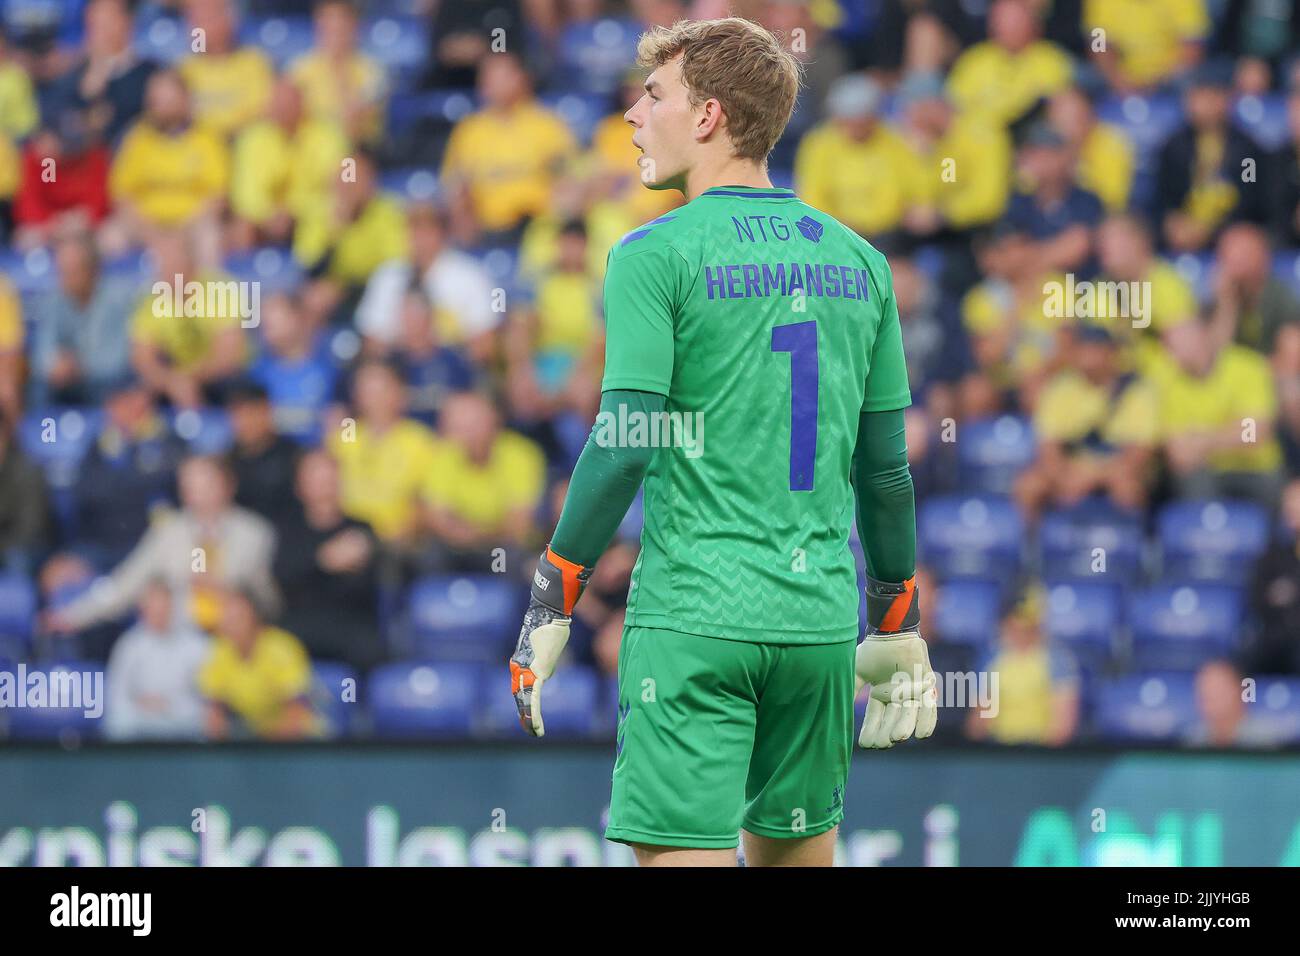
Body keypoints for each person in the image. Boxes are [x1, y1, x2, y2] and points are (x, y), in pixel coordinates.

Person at [508, 18, 937, 868]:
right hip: (817, 629)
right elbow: (884, 471)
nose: (633, 114)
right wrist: (896, 619)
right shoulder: (863, 264)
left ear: (707, 116)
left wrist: (553, 592)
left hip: (696, 621)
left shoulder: (652, 255)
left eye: (654, 95)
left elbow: (625, 439)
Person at [45, 454, 279, 636]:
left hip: (237, 639)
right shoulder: (169, 532)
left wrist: (225, 589)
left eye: (205, 484)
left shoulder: (255, 533)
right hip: (178, 639)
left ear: (227, 484)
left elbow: (268, 600)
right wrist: (72, 616)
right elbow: (125, 583)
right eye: (189, 486)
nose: (197, 494)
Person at [272, 450, 383, 673]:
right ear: (300, 486)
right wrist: (323, 561)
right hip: (301, 620)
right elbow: (284, 577)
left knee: (371, 649)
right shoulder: (288, 529)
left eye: (330, 478)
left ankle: (358, 704)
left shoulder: (360, 528)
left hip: (349, 622)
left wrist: (333, 567)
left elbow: (367, 584)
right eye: (316, 479)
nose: (324, 486)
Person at [198, 586, 318, 741]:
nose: (229, 624)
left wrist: (265, 745)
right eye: (226, 617)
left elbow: (295, 716)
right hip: (251, 741)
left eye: (237, 617)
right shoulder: (220, 650)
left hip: (299, 742)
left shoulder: (282, 649)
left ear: (255, 618)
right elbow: (214, 711)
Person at [965, 588, 1080, 746]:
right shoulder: (992, 659)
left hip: (1042, 755)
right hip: (998, 752)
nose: (1021, 630)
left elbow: (1063, 725)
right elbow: (979, 722)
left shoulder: (1058, 660)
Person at [104, 579, 210, 740]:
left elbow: (205, 695)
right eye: (153, 608)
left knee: (205, 720)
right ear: (144, 610)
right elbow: (116, 693)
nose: (159, 613)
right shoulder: (129, 644)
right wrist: (141, 705)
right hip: (139, 718)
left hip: (182, 718)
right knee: (118, 722)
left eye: (164, 607)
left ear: (173, 607)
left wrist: (169, 705)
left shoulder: (195, 643)